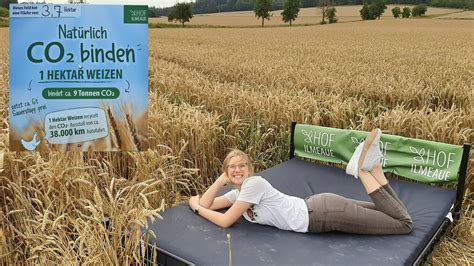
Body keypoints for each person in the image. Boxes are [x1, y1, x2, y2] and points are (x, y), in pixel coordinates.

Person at [188, 129, 413, 235]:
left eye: (242, 166)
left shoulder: (253, 185)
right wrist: (219, 181)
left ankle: (362, 171)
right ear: (226, 172)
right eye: (232, 167)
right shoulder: (238, 194)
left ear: (250, 169)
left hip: (323, 215)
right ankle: (374, 168)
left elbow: (224, 219)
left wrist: (197, 208)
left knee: (403, 224)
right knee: (390, 213)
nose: (237, 170)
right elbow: (211, 204)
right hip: (321, 206)